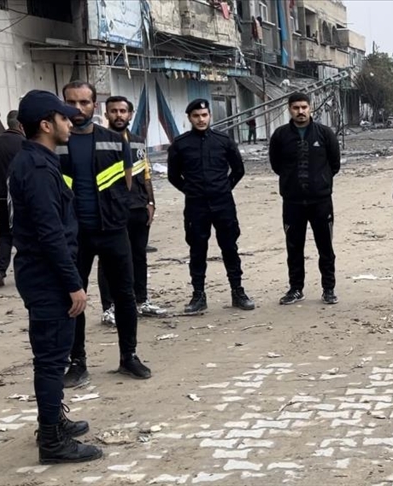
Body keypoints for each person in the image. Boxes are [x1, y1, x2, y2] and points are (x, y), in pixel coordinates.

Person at [10, 90, 102, 464]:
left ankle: (52, 423)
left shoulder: (39, 161)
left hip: (45, 273)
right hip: (47, 277)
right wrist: (72, 284)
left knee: (52, 356)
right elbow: (49, 233)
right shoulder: (36, 168)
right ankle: (52, 441)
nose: (71, 121)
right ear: (46, 125)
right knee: (51, 360)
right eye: (64, 118)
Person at [59, 81, 150, 387]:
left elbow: (127, 182)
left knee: (124, 295)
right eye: (71, 102)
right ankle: (77, 362)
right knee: (74, 300)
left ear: (94, 106)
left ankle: (129, 357)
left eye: (84, 102)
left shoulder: (113, 140)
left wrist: (117, 212)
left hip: (112, 230)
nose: (77, 109)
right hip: (75, 236)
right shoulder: (57, 142)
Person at [168, 98, 255, 313]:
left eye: (204, 115)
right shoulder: (180, 144)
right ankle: (198, 296)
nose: (201, 119)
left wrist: (224, 187)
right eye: (196, 116)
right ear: (189, 118)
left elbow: (238, 170)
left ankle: (238, 292)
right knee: (197, 250)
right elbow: (173, 176)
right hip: (196, 206)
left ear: (210, 116)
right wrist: (190, 190)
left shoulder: (223, 141)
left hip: (223, 203)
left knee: (230, 248)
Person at [97, 96, 165, 326]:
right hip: (111, 210)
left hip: (137, 208)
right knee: (109, 259)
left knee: (139, 255)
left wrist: (151, 203)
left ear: (130, 114)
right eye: (113, 111)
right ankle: (109, 307)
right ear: (106, 114)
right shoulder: (99, 142)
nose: (118, 115)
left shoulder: (137, 141)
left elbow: (145, 174)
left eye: (123, 111)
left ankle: (141, 300)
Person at [269, 92, 341, 305]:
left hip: (321, 201)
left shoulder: (324, 133)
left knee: (325, 247)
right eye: (295, 108)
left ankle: (328, 289)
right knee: (294, 247)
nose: (300, 111)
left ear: (310, 108)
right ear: (289, 109)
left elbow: (334, 164)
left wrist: (322, 181)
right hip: (292, 202)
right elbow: (276, 165)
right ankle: (295, 288)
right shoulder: (280, 136)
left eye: (304, 107)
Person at [0, 110, 23, 287]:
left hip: (1, 197)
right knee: (27, 233)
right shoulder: (24, 143)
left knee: (5, 233)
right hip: (19, 196)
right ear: (21, 125)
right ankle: (26, 271)